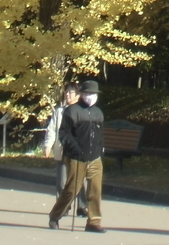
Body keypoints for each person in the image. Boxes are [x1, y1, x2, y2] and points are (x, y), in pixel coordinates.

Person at [48, 79, 105, 232]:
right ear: (81, 94)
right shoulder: (72, 111)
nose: (90, 96)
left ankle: (94, 221)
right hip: (76, 157)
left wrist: (100, 149)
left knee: (95, 189)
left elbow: (100, 135)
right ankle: (55, 215)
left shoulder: (98, 113)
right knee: (72, 189)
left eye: (93, 93)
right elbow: (64, 133)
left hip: (94, 157)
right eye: (87, 93)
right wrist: (74, 148)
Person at [43, 82, 87, 218]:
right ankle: (63, 207)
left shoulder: (83, 111)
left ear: (78, 95)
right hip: (62, 151)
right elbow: (52, 129)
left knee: (79, 181)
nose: (67, 94)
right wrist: (48, 145)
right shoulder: (60, 111)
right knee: (62, 182)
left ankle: (82, 206)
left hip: (77, 151)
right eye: (66, 92)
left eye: (71, 92)